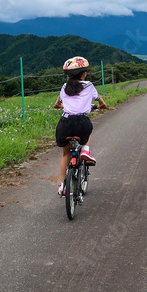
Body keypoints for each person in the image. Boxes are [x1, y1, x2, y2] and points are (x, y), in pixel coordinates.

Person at [53, 56, 107, 196]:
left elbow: (58, 101)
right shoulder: (88, 85)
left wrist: (58, 105)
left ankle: (63, 185)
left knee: (66, 154)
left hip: (65, 124)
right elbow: (98, 97)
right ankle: (85, 151)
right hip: (81, 123)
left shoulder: (65, 87)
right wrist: (102, 104)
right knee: (88, 129)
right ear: (84, 74)